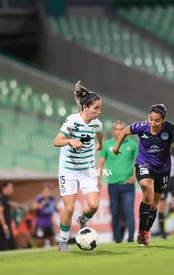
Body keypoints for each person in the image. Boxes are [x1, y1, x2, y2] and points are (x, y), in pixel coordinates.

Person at [113, 103, 174, 246]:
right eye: (151, 119)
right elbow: (124, 132)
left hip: (163, 169)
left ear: (163, 121)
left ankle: (144, 232)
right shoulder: (141, 127)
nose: (153, 123)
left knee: (154, 204)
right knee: (147, 191)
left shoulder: (170, 128)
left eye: (157, 120)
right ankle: (141, 232)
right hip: (144, 164)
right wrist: (116, 147)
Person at [53, 80, 103, 252]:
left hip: (87, 169)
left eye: (99, 108)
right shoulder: (72, 121)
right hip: (68, 169)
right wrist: (70, 140)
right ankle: (63, 241)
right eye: (96, 108)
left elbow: (100, 133)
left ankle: (83, 220)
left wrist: (101, 144)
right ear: (85, 107)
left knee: (94, 205)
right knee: (69, 207)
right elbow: (56, 141)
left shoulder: (97, 124)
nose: (98, 111)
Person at [97, 120, 137, 243]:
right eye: (117, 129)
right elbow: (101, 163)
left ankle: (131, 238)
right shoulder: (107, 145)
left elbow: (138, 162)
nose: (119, 131)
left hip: (128, 185)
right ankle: (117, 239)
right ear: (113, 131)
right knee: (114, 213)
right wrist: (98, 179)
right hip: (112, 185)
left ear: (125, 131)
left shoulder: (133, 144)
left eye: (121, 129)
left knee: (129, 212)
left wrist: (134, 177)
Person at [32, 184, 57, 248]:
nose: (47, 193)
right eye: (45, 191)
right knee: (40, 243)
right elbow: (33, 208)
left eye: (48, 191)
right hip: (40, 224)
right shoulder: (39, 199)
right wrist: (40, 205)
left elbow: (54, 209)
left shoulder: (52, 199)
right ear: (42, 192)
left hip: (49, 224)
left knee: (53, 241)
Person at [0, 180, 16, 251]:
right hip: (3, 227)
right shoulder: (0, 198)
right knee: (4, 246)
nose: (12, 190)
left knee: (11, 245)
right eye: (10, 188)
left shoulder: (6, 199)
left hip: (7, 225)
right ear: (4, 188)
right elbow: (0, 213)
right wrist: (4, 226)